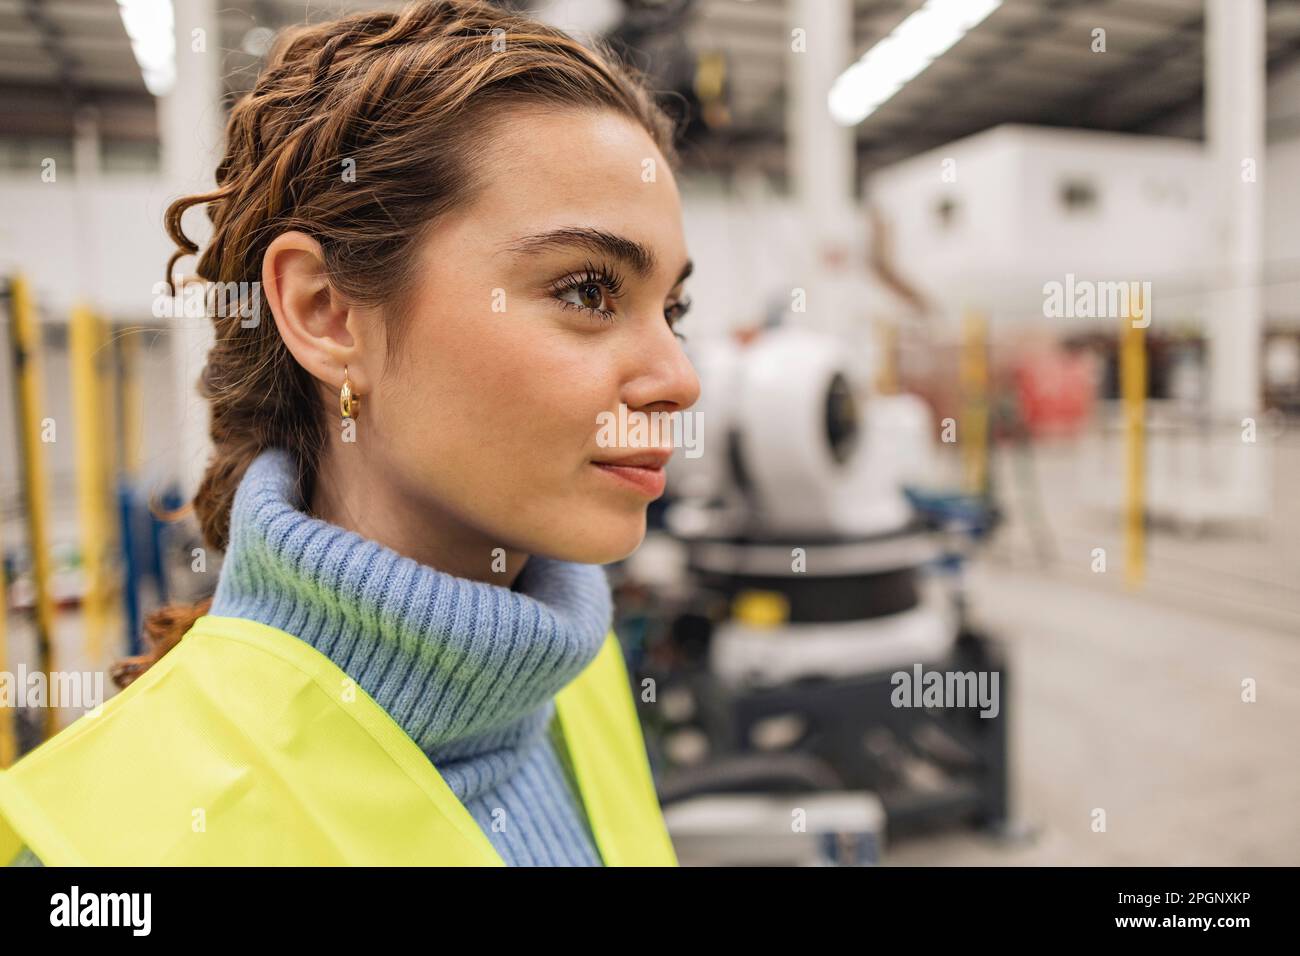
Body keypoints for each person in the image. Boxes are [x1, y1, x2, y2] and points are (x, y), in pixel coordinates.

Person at [0, 0, 699, 866]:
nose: (680, 379)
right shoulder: (116, 852)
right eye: (589, 291)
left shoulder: (574, 677)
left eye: (673, 309)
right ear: (326, 313)